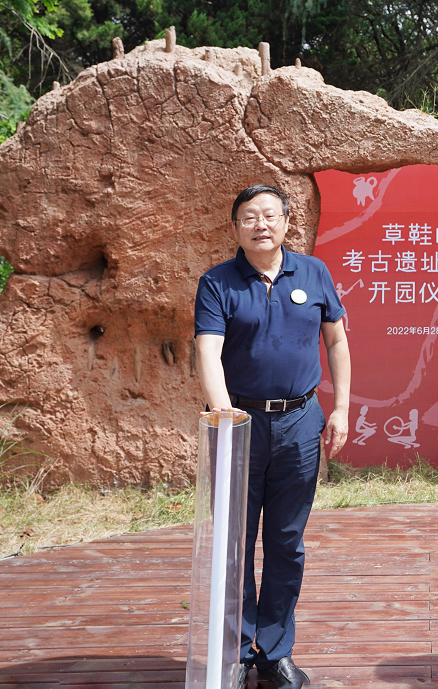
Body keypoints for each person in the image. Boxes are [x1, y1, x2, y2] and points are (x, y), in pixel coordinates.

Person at [194, 185, 351, 689]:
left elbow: (336, 341)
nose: (260, 225)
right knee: (235, 543)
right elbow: (208, 349)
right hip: (239, 424)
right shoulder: (217, 282)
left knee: (286, 540)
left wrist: (341, 408)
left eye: (269, 215)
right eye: (248, 217)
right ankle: (238, 653)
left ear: (286, 222)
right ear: (235, 227)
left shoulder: (314, 272)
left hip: (300, 422)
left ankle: (276, 652)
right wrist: (222, 412)